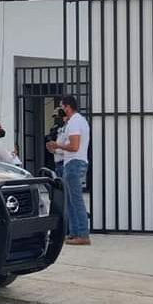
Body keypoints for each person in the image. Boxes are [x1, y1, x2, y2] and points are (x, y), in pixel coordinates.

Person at [46, 95, 91, 245]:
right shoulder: (77, 121)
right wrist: (56, 148)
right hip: (73, 162)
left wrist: (57, 145)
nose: (60, 109)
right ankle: (75, 233)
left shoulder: (74, 122)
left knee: (76, 200)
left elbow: (74, 146)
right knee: (71, 201)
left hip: (74, 163)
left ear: (67, 107)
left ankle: (83, 234)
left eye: (61, 106)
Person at [46, 108, 67, 177]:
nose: (56, 119)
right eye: (55, 118)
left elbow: (70, 148)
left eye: (58, 117)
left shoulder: (68, 129)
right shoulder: (58, 129)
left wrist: (55, 150)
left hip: (64, 162)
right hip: (56, 162)